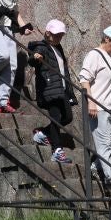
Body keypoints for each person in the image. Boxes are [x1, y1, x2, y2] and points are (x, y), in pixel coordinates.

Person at [79, 25, 111, 198]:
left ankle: (96, 166)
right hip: (99, 107)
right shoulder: (94, 55)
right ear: (107, 39)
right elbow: (84, 79)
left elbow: (108, 79)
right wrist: (91, 102)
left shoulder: (110, 57)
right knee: (104, 145)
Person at [29, 19, 78, 165]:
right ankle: (57, 151)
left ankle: (43, 133)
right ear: (47, 33)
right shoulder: (41, 46)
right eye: (56, 35)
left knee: (68, 117)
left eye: (61, 35)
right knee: (56, 118)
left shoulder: (58, 48)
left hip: (62, 89)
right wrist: (36, 57)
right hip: (49, 89)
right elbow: (34, 57)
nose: (58, 38)